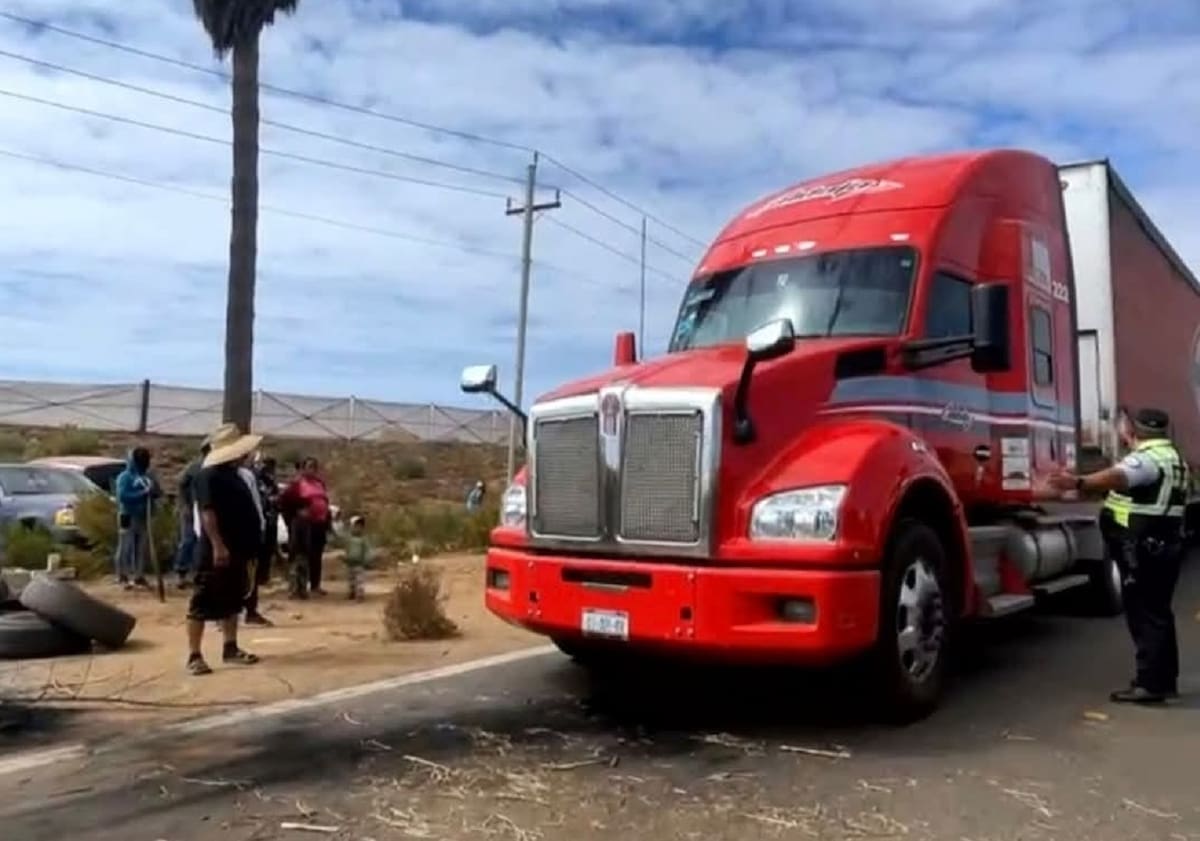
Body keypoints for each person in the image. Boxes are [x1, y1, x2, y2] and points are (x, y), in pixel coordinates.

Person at [1045, 407, 1188, 704]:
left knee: (1145, 615)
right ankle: (1163, 680)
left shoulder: (1145, 458)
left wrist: (1080, 482)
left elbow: (1121, 477)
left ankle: (1150, 684)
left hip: (1144, 548)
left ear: (1134, 432)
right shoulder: (1174, 458)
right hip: (1164, 544)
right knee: (1159, 614)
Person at [185, 424, 264, 676]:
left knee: (233, 601)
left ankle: (231, 648)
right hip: (216, 551)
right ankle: (194, 655)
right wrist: (218, 545)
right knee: (201, 600)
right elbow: (208, 513)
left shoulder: (235, 474)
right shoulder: (206, 476)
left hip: (239, 550)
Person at [279, 457, 332, 599]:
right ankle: (297, 587)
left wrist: (327, 521)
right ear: (302, 469)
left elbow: (325, 501)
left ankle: (315, 585)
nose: (312, 470)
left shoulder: (319, 483)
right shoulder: (297, 485)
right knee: (300, 555)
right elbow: (284, 502)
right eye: (309, 466)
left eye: (314, 467)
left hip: (319, 524)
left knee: (316, 555)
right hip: (303, 526)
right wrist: (296, 514)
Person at [243, 455, 280, 626]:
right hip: (245, 529)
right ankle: (227, 614)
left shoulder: (264, 480)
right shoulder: (247, 477)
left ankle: (250, 610)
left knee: (254, 571)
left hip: (263, 527)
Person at [114, 446, 156, 590]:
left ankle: (139, 575)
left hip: (143, 517)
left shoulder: (148, 477)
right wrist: (142, 494)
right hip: (127, 515)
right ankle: (122, 575)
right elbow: (123, 497)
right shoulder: (125, 477)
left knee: (141, 547)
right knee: (126, 545)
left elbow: (157, 492)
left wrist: (154, 493)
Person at [173, 436, 212, 589]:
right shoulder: (195, 467)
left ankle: (198, 573)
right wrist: (185, 506)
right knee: (188, 540)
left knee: (201, 543)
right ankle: (181, 573)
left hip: (204, 508)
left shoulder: (210, 468)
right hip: (191, 508)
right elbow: (181, 486)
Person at [343, 515, 371, 601]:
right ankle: (352, 592)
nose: (358, 529)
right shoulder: (349, 539)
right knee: (351, 579)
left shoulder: (364, 540)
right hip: (350, 563)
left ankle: (360, 594)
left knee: (359, 580)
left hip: (359, 564)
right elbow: (346, 550)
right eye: (356, 526)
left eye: (360, 527)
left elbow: (367, 550)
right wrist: (345, 558)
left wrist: (366, 560)